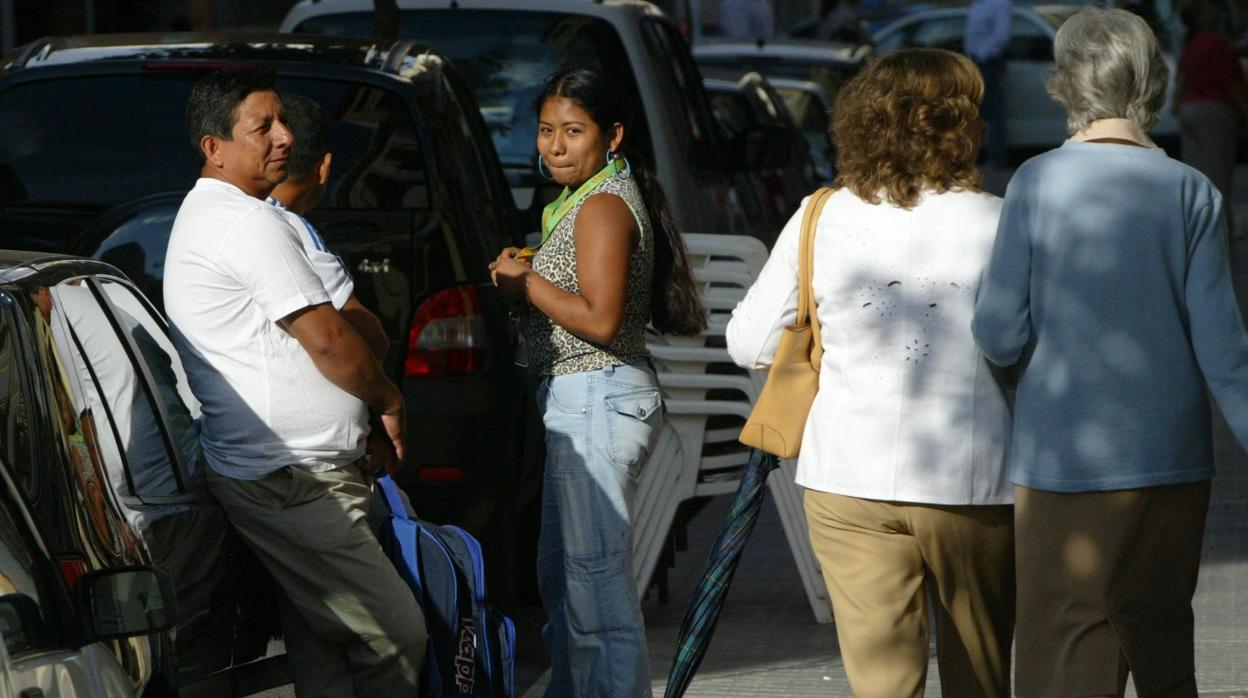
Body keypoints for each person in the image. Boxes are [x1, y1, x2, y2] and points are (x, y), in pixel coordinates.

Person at [973, 8, 1248, 698]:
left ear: (1064, 84)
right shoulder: (1192, 190)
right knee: (1160, 645)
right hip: (1172, 454)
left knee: (1064, 650)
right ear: (1153, 80)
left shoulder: (1036, 183)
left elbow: (998, 330)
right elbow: (1225, 348)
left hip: (1065, 455)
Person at [727, 48, 1014, 698]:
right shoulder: (1003, 219)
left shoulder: (821, 215)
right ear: (959, 124)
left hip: (847, 479)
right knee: (983, 679)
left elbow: (749, 342)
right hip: (973, 482)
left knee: (883, 686)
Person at [163, 67, 424, 697]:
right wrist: (387, 400)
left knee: (325, 642)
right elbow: (332, 339)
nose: (284, 137)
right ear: (214, 148)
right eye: (263, 127)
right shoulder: (240, 223)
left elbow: (357, 327)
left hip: (306, 473)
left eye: (282, 120)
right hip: (290, 480)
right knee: (397, 635)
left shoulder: (258, 216)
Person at [488, 68, 705, 698]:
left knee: (595, 592)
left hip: (598, 399)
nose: (554, 146)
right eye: (546, 130)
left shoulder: (604, 205)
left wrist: (523, 282)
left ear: (612, 135)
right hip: (579, 402)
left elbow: (602, 320)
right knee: (563, 581)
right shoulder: (582, 200)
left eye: (573, 131)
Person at [1175, 0, 1247, 229]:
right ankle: (1221, 223)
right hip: (1214, 110)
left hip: (1189, 109)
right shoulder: (1215, 43)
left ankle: (1197, 222)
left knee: (1197, 168)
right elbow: (1229, 83)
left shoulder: (1190, 44)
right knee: (1220, 169)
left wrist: (1177, 107)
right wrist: (1244, 111)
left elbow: (1181, 81)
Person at [963, 0, 1012, 168]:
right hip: (975, 63)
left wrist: (982, 56)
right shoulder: (977, 5)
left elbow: (1001, 35)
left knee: (993, 113)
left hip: (987, 63)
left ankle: (997, 159)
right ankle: (979, 156)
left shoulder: (999, 4)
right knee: (977, 111)